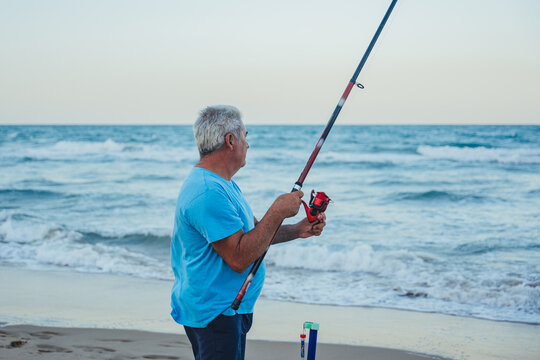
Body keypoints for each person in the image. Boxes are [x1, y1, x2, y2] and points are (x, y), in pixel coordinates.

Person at [170, 105, 326, 360]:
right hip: (215, 313)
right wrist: (277, 211)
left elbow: (253, 236)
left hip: (229, 310)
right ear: (230, 141)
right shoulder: (207, 192)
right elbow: (239, 259)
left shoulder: (223, 184)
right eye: (244, 136)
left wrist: (297, 230)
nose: (248, 144)